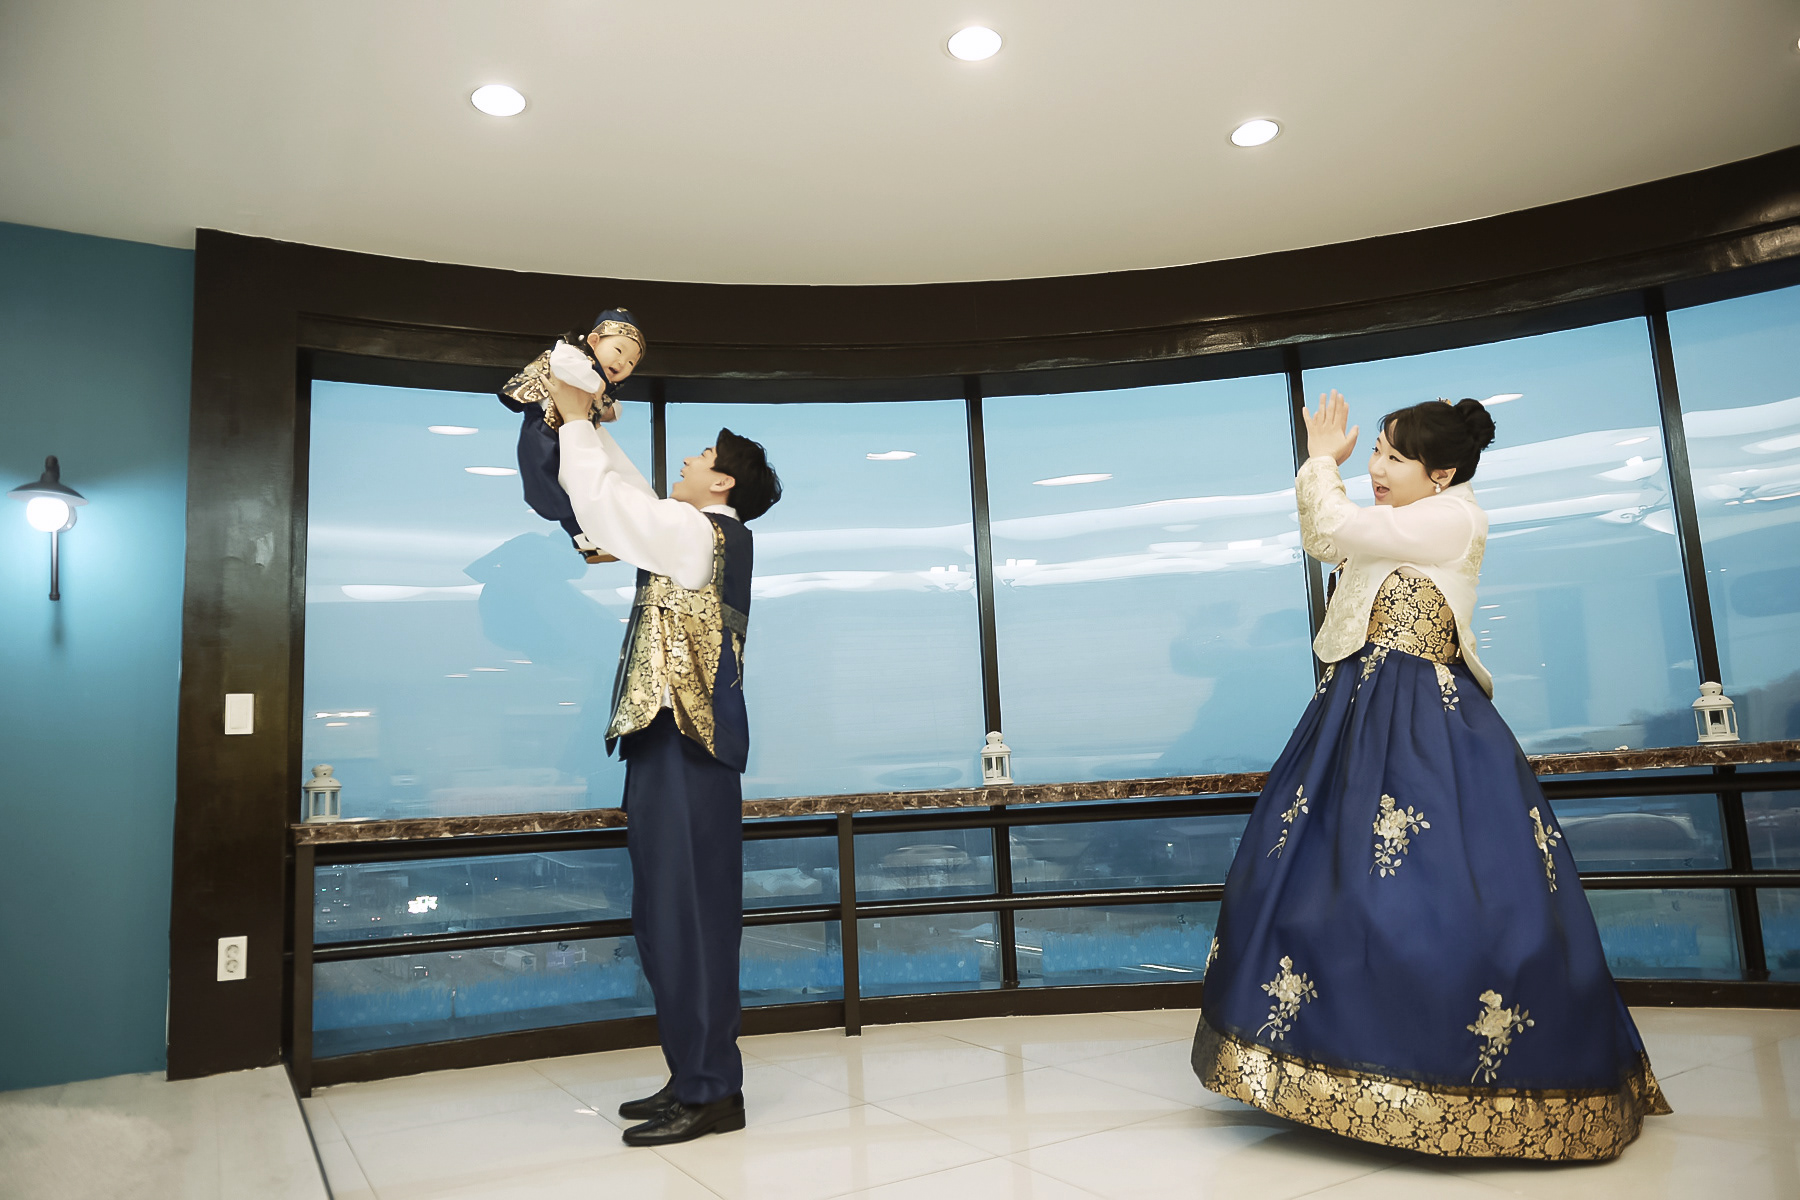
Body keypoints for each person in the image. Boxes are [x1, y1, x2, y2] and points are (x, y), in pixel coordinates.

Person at [1190, 390, 1669, 1161]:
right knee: (1316, 882)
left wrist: (1321, 461)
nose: (1376, 468)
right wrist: (1331, 472)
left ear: (1441, 474)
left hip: (1421, 722)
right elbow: (1334, 540)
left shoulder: (1453, 517)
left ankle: (1449, 1081)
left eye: (1394, 456)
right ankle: (1335, 1071)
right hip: (1356, 714)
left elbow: (1330, 527)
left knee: (1433, 897)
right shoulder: (1405, 520)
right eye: (1376, 452)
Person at [542, 367, 782, 1147]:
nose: (685, 459)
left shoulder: (697, 533)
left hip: (688, 747)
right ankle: (692, 1077)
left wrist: (577, 419)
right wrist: (588, 419)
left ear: (722, 481)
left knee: (689, 921)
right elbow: (629, 496)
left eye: (699, 455)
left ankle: (711, 1091)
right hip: (667, 741)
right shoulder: (692, 530)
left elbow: (610, 506)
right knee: (663, 919)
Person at [498, 308, 647, 562]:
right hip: (544, 428)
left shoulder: (598, 382)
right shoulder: (571, 353)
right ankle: (586, 535)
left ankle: (595, 536)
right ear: (594, 341)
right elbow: (564, 366)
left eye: (632, 362)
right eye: (619, 350)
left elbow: (609, 409)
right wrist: (596, 386)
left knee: (583, 487)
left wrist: (607, 405)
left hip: (574, 437)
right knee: (546, 480)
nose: (623, 363)